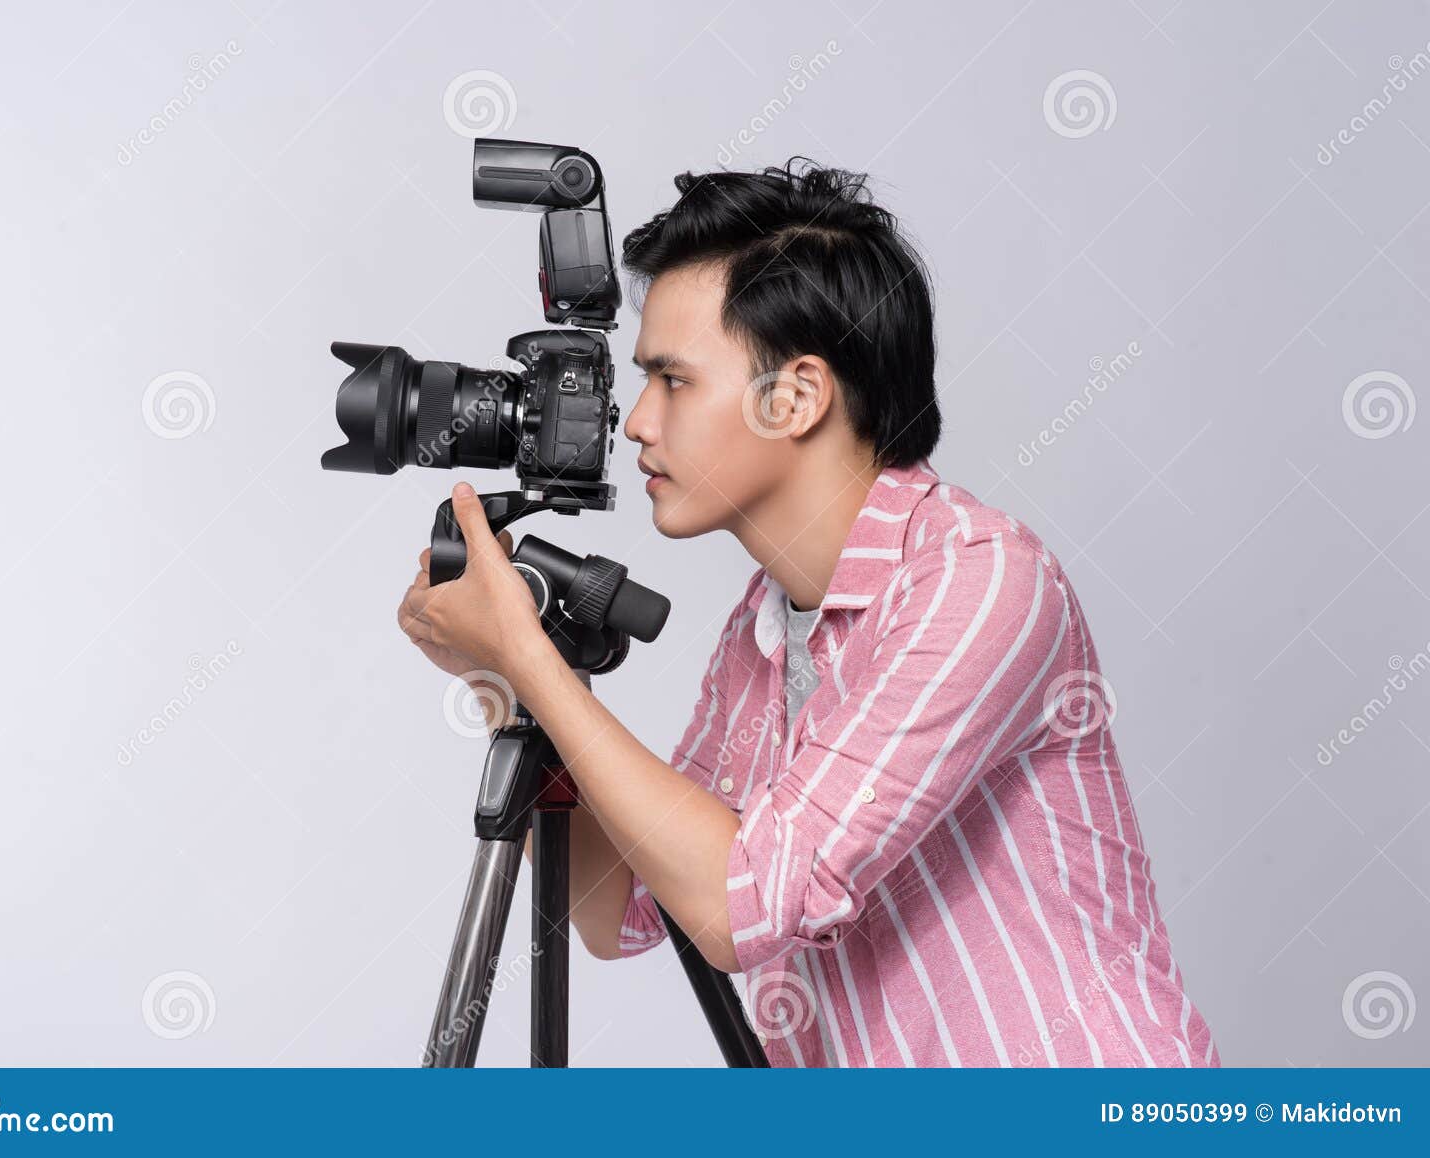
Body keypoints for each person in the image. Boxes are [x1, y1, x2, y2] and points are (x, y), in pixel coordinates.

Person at [397, 159, 1216, 1067]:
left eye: (673, 380)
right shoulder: (768, 621)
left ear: (795, 398)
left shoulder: (979, 582)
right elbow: (621, 906)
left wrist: (528, 658)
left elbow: (741, 903)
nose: (634, 423)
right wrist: (514, 676)